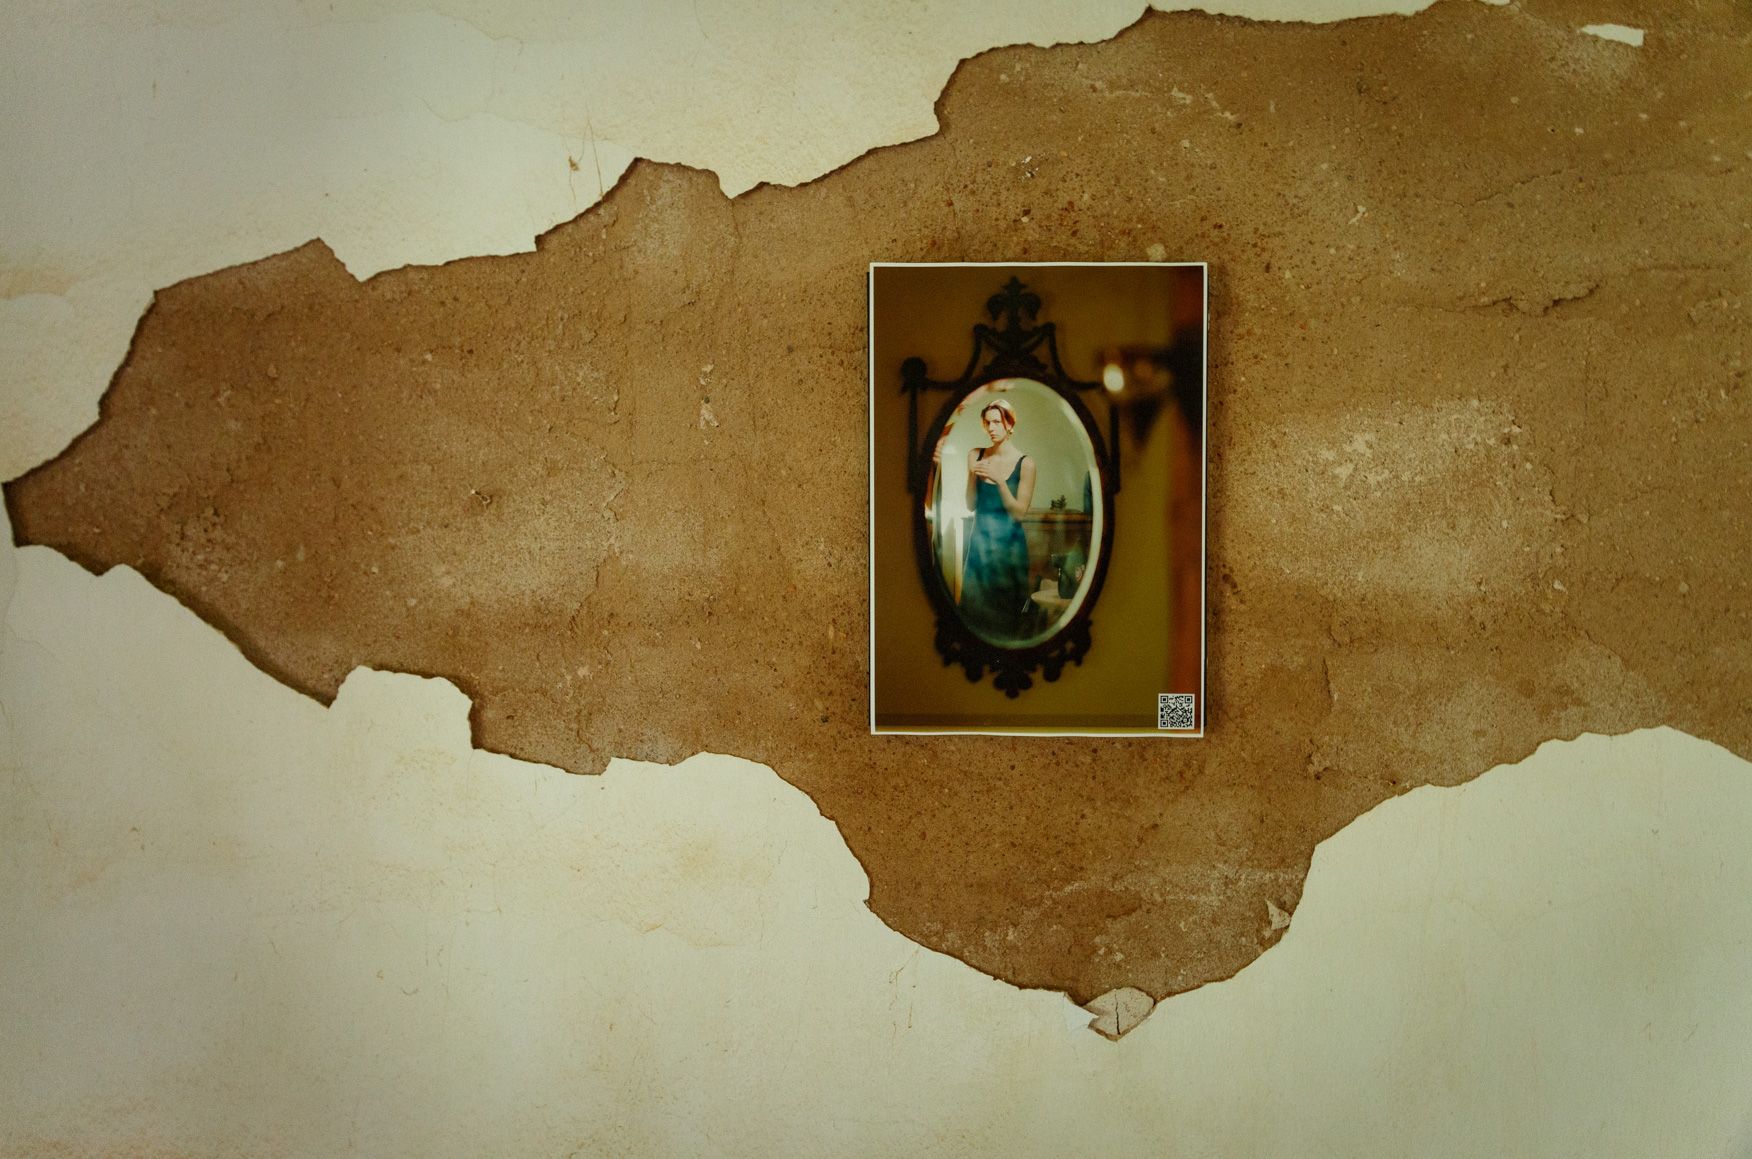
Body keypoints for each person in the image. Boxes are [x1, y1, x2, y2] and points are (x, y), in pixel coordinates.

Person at [959, 398, 1037, 640]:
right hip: (979, 550)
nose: (991, 428)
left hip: (1010, 553)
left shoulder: (1026, 464)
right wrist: (972, 474)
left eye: (997, 422)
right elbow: (970, 505)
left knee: (1007, 622)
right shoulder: (975, 454)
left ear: (1009, 424)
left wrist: (1000, 481)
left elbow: (1019, 513)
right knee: (973, 618)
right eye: (987, 423)